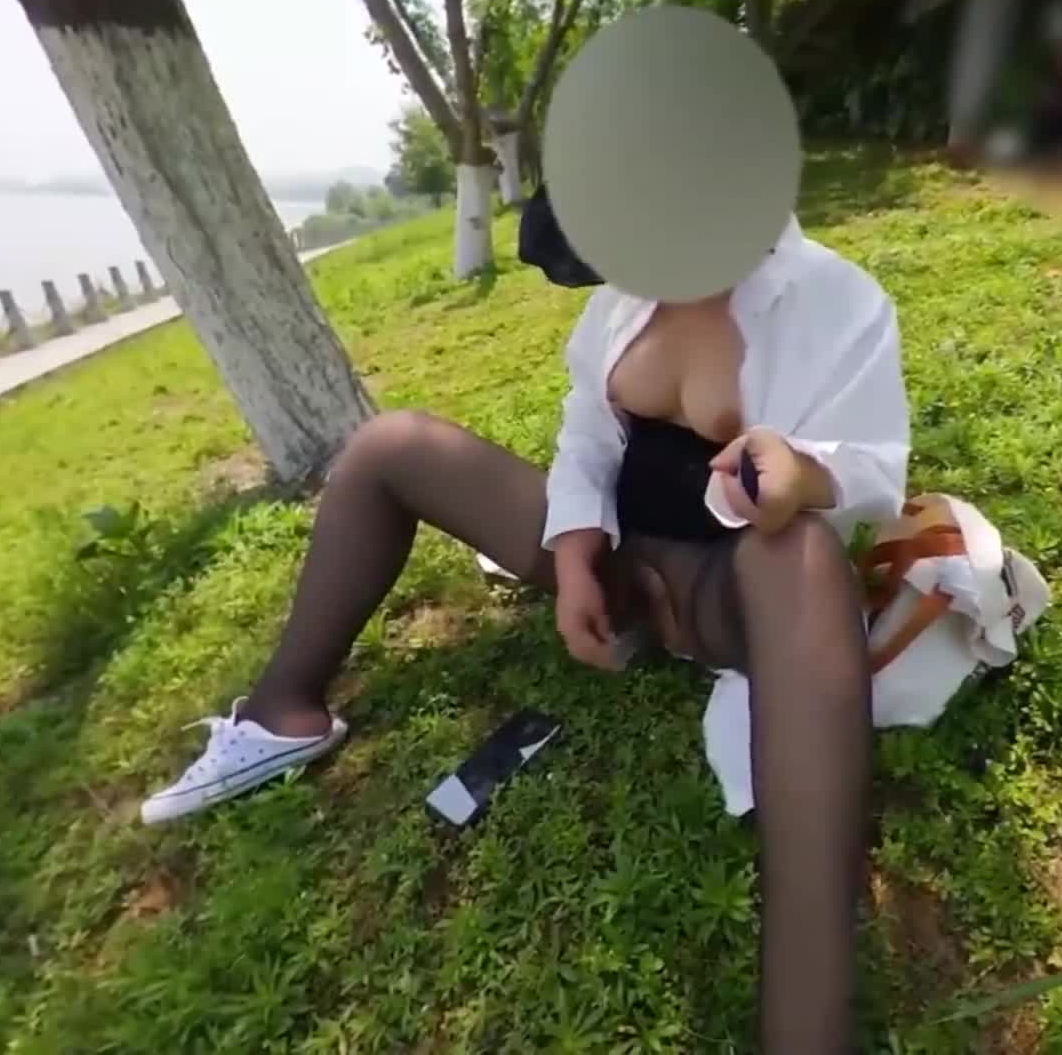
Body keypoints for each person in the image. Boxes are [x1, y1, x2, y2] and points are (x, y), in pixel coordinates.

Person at [139, 183, 910, 1052]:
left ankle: (806, 1024)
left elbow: (874, 469)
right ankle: (285, 710)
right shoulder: (623, 304)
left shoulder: (829, 298)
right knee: (392, 446)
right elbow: (588, 439)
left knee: (798, 556)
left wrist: (804, 474)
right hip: (624, 561)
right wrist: (575, 553)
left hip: (734, 591)